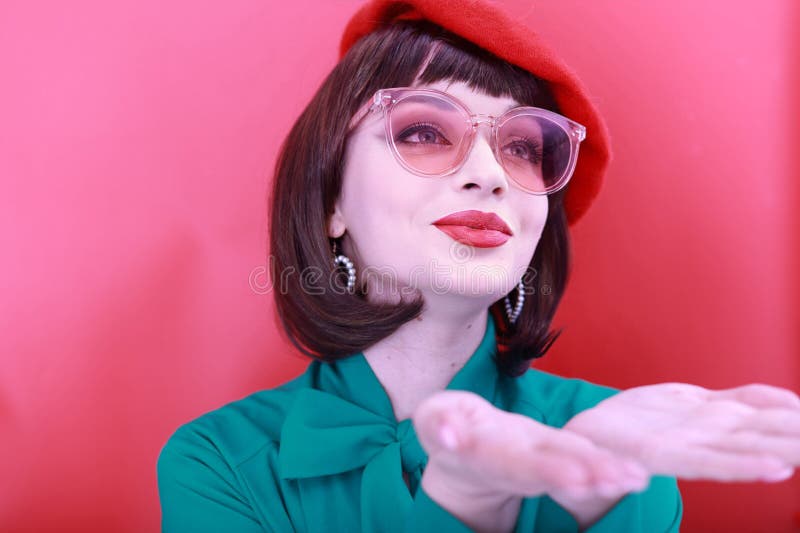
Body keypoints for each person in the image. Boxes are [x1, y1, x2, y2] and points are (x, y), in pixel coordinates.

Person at [156, 0, 800, 531]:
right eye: (424, 132)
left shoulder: (622, 449)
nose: (491, 175)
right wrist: (464, 501)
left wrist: (612, 502)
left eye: (524, 147)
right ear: (331, 201)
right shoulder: (216, 462)